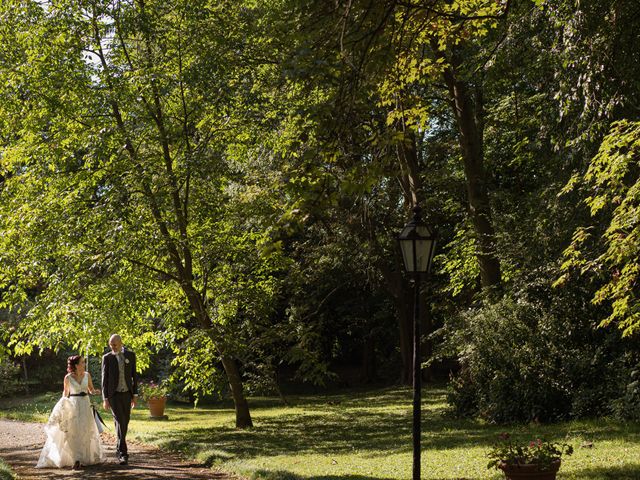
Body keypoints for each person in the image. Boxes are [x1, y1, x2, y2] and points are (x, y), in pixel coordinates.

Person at [36, 355, 105, 469]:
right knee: (74, 431)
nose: (84, 364)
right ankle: (76, 459)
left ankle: (85, 457)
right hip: (73, 405)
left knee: (85, 430)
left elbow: (91, 389)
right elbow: (65, 393)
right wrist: (63, 406)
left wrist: (95, 392)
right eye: (82, 362)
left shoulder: (87, 375)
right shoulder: (68, 378)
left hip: (85, 405)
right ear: (76, 365)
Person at [101, 334, 138, 465]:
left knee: (125, 421)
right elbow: (104, 380)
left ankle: (118, 447)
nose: (112, 347)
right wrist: (105, 398)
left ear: (121, 343)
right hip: (113, 395)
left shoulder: (131, 355)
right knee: (120, 420)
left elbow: (134, 376)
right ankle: (123, 453)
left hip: (127, 393)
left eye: (114, 344)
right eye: (110, 345)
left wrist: (135, 395)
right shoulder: (107, 358)